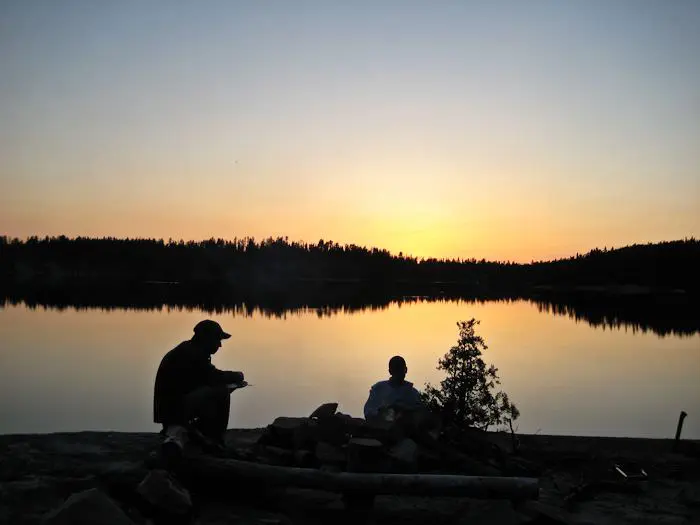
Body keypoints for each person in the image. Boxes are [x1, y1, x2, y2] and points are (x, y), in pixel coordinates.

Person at [153, 319, 245, 453]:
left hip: (173, 407)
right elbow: (213, 377)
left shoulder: (190, 350)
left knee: (215, 392)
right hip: (173, 409)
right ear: (206, 339)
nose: (220, 345)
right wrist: (237, 376)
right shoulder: (191, 353)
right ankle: (216, 438)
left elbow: (205, 378)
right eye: (217, 340)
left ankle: (201, 432)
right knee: (222, 392)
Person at [363, 355, 423, 421]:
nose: (398, 372)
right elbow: (368, 412)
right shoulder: (378, 389)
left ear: (405, 370)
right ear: (390, 371)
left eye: (400, 369)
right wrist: (385, 412)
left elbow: (420, 414)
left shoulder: (413, 393)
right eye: (396, 369)